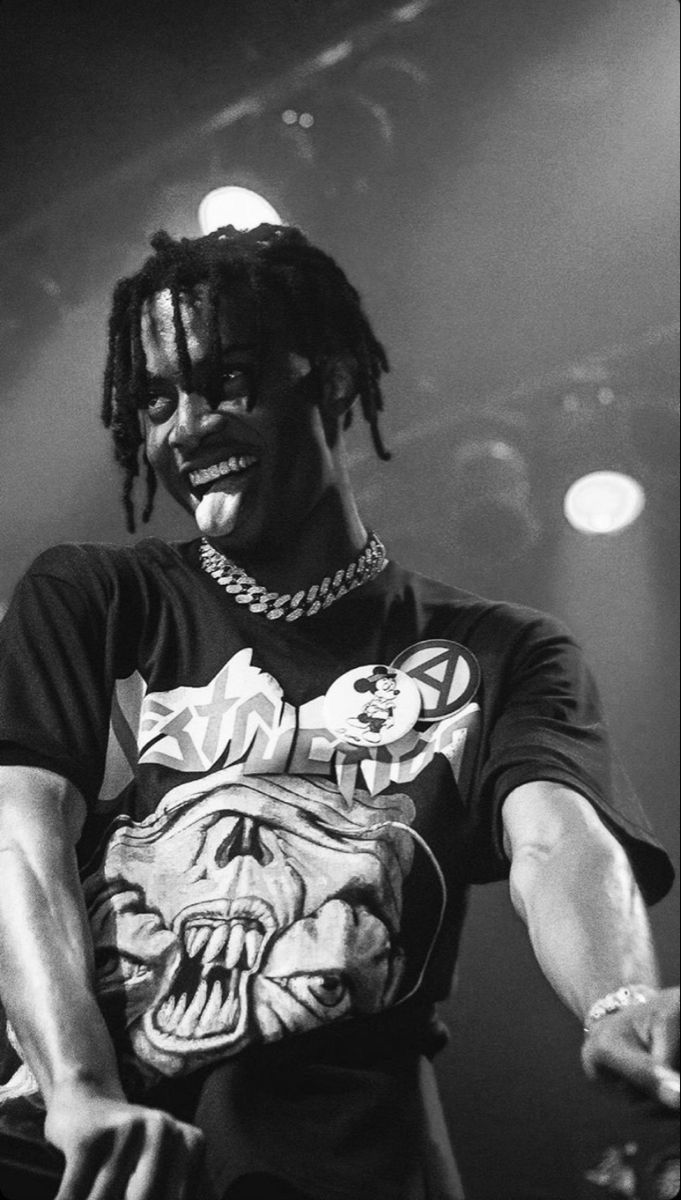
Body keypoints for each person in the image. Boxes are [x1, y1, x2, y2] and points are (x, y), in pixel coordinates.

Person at [0, 223, 677, 1200]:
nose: (187, 427)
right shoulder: (97, 602)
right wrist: (82, 1089)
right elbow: (19, 838)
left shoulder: (502, 650)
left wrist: (621, 997)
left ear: (329, 381)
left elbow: (556, 844)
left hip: (352, 1162)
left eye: (228, 381)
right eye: (156, 399)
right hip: (93, 1160)